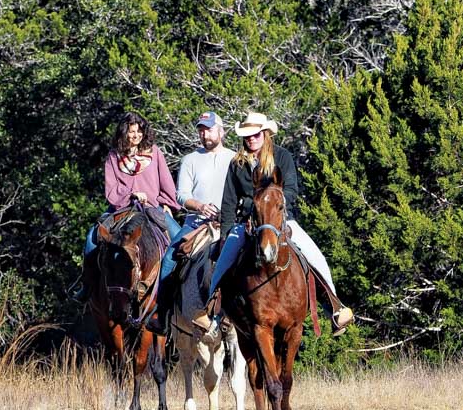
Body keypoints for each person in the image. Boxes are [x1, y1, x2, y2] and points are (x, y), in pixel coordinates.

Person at [192, 112, 354, 337]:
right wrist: (225, 236)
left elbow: (291, 189)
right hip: (247, 222)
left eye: (255, 134)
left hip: (281, 219)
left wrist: (274, 204)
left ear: (265, 134)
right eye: (247, 136)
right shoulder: (237, 163)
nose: (251, 139)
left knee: (315, 257)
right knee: (223, 261)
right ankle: (213, 313)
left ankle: (334, 308)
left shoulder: (282, 156)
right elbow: (228, 202)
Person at [72, 111, 181, 302]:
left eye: (139, 131)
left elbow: (167, 183)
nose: (136, 135)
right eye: (132, 131)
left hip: (151, 208)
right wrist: (129, 195)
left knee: (181, 239)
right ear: (124, 132)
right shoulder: (114, 157)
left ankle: (178, 289)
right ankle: (87, 285)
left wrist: (166, 204)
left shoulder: (154, 152)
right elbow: (111, 190)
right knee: (91, 239)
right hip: (121, 208)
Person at [146, 111, 236, 335]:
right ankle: (162, 314)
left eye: (209, 129)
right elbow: (181, 195)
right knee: (169, 258)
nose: (205, 134)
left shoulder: (235, 158)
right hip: (197, 223)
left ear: (221, 131)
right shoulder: (190, 160)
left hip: (229, 224)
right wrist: (200, 206)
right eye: (201, 130)